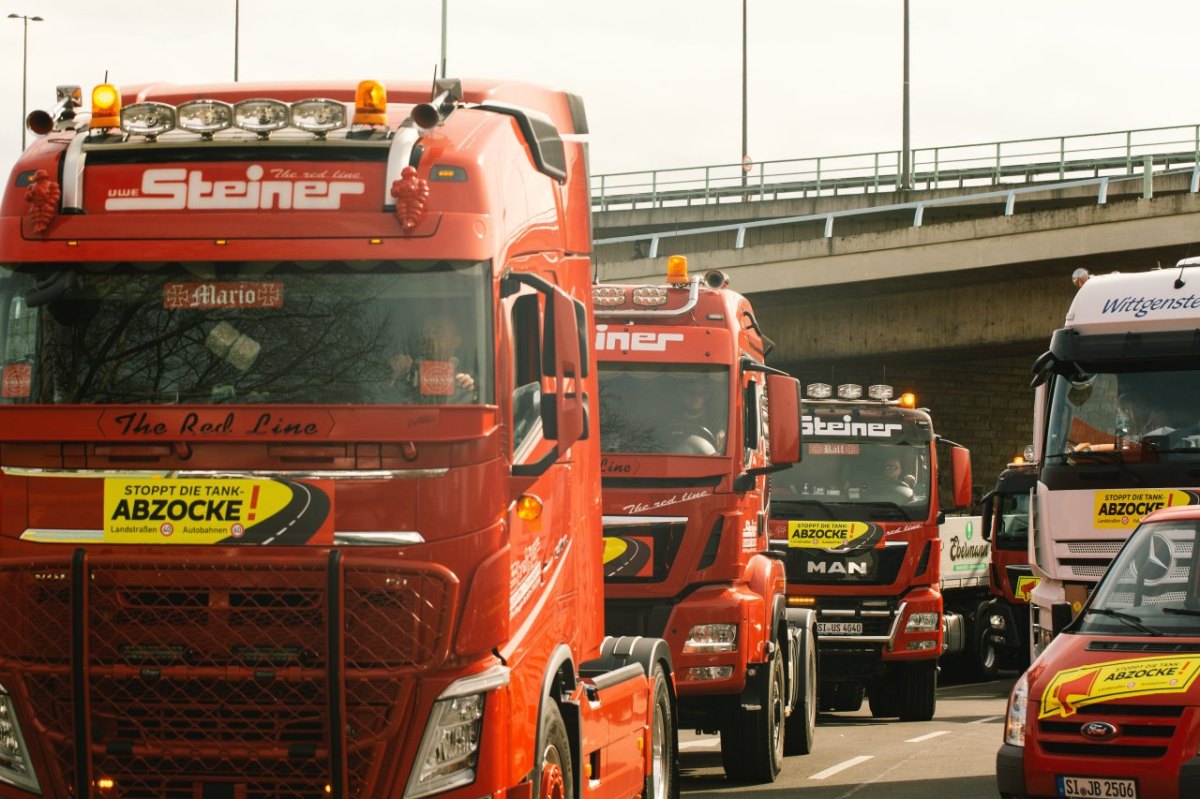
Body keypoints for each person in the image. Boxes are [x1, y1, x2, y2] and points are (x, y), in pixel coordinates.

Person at [387, 316, 477, 403]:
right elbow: (385, 403)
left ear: (456, 341)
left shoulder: (469, 374)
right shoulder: (409, 371)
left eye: (437, 332)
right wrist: (394, 376)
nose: (428, 337)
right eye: (425, 332)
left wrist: (472, 390)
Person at [665, 374, 726, 455]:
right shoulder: (672, 419)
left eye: (700, 394)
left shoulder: (715, 422)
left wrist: (723, 433)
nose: (695, 397)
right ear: (683, 395)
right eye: (690, 393)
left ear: (706, 397)